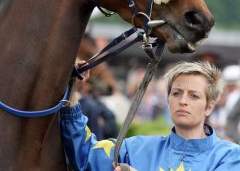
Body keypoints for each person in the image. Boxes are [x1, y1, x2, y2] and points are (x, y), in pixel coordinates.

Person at [60, 61, 240, 171]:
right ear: (168, 99)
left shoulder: (231, 157)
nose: (183, 101)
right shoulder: (133, 148)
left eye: (194, 95)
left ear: (209, 107)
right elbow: (85, 155)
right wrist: (73, 91)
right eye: (176, 93)